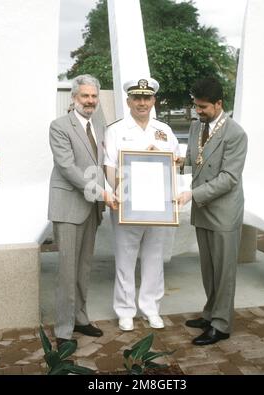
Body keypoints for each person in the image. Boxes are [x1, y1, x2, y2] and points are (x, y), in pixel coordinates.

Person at [104, 77, 180, 331]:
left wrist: (161, 159)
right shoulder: (116, 130)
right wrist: (116, 192)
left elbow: (175, 163)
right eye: (136, 98)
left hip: (158, 206)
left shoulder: (164, 131)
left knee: (154, 258)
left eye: (146, 98)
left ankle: (150, 308)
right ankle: (125, 310)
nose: (142, 103)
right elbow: (110, 166)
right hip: (127, 205)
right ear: (128, 101)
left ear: (153, 100)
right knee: (125, 259)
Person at [177, 77, 248, 346]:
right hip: (203, 209)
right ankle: (210, 313)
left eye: (204, 107)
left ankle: (222, 324)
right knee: (208, 269)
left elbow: (229, 177)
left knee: (224, 270)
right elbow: (192, 158)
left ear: (219, 104)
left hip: (223, 212)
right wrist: (165, 158)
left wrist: (192, 194)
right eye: (196, 106)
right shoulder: (197, 126)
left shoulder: (236, 134)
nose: (198, 111)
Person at [48, 74, 117, 348]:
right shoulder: (59, 126)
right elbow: (68, 168)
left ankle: (80, 317)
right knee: (67, 271)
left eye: (93, 96)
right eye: (85, 96)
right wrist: (101, 193)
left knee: (83, 267)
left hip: (91, 209)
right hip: (68, 208)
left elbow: (105, 163)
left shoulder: (99, 125)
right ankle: (64, 331)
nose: (90, 101)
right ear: (74, 98)